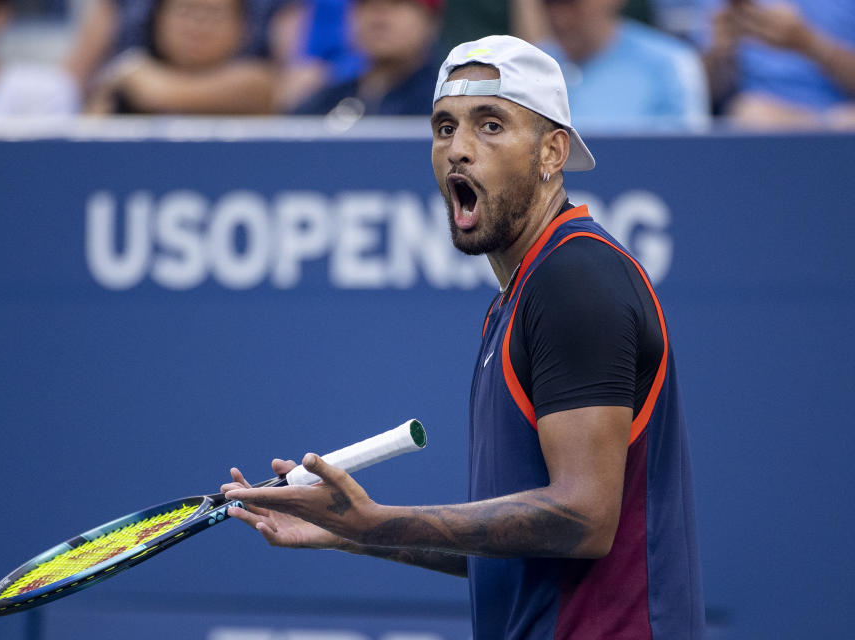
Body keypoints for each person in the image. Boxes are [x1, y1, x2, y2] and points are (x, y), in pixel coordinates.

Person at [223, 34, 704, 639]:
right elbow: (522, 547)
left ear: (552, 152)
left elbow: (583, 518)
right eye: (444, 127)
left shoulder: (573, 279)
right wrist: (354, 532)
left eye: (491, 125)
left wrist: (378, 522)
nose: (459, 149)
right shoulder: (520, 295)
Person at [538, 0, 709, 130]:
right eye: (550, 3)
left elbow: (685, 158)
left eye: (572, 3)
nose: (560, 19)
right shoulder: (531, 64)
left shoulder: (670, 64)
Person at [84, 0, 276, 114]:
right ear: (157, 20)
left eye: (214, 14)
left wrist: (131, 72)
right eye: (185, 10)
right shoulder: (125, 81)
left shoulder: (255, 82)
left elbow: (157, 93)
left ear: (242, 28)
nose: (197, 25)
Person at [701, 0, 855, 128]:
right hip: (756, 122)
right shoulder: (718, 6)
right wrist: (720, 53)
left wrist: (810, 44)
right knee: (749, 113)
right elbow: (703, 95)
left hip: (842, 121)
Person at [289, 0, 441, 116]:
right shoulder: (326, 101)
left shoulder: (444, 105)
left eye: (397, 4)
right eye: (366, 4)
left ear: (430, 21)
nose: (378, 20)